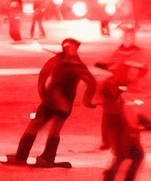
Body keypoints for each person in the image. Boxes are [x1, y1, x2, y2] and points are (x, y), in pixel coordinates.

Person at [9, 36, 97, 166]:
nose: (70, 50)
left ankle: (46, 158)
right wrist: (44, 96)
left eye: (73, 47)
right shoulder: (56, 61)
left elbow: (91, 83)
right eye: (67, 47)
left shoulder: (77, 66)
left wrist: (87, 100)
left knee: (55, 128)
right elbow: (43, 78)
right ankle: (22, 155)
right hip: (50, 100)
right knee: (35, 124)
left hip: (64, 103)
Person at [90, 67, 145, 181]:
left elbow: (127, 104)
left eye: (135, 73)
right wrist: (106, 139)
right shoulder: (111, 85)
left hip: (124, 127)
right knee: (122, 155)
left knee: (136, 154)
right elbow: (112, 112)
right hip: (118, 127)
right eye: (132, 72)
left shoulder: (121, 85)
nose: (134, 75)